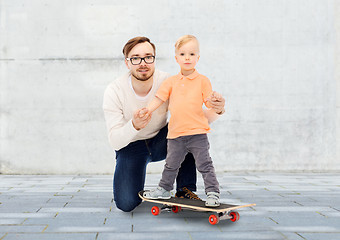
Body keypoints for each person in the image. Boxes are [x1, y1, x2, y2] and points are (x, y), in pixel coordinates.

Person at [103, 36, 225, 212]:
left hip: (163, 140)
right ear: (127, 63)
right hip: (131, 146)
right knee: (126, 203)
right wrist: (134, 125)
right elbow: (115, 141)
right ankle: (156, 188)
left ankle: (185, 191)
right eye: (136, 58)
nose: (143, 63)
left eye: (148, 57)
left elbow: (196, 116)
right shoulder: (114, 90)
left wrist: (218, 110)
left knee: (190, 131)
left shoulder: (169, 81)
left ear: (154, 59)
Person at [142, 35, 222, 207]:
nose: (187, 58)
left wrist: (215, 101)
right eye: (183, 54)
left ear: (198, 58)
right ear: (176, 58)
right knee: (171, 165)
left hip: (198, 134)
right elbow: (159, 98)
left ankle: (213, 193)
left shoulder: (203, 81)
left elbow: (208, 102)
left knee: (205, 165)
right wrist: (147, 110)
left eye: (192, 54)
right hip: (175, 135)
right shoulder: (171, 82)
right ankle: (164, 189)